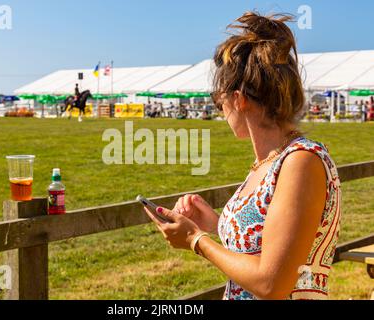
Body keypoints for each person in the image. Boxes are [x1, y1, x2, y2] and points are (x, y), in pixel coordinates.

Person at [144, 11, 341, 300]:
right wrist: (218, 223)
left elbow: (271, 283)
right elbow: (267, 241)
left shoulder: (301, 162)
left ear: (239, 99)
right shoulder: (270, 163)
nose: (220, 110)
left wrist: (195, 239)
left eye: (218, 100)